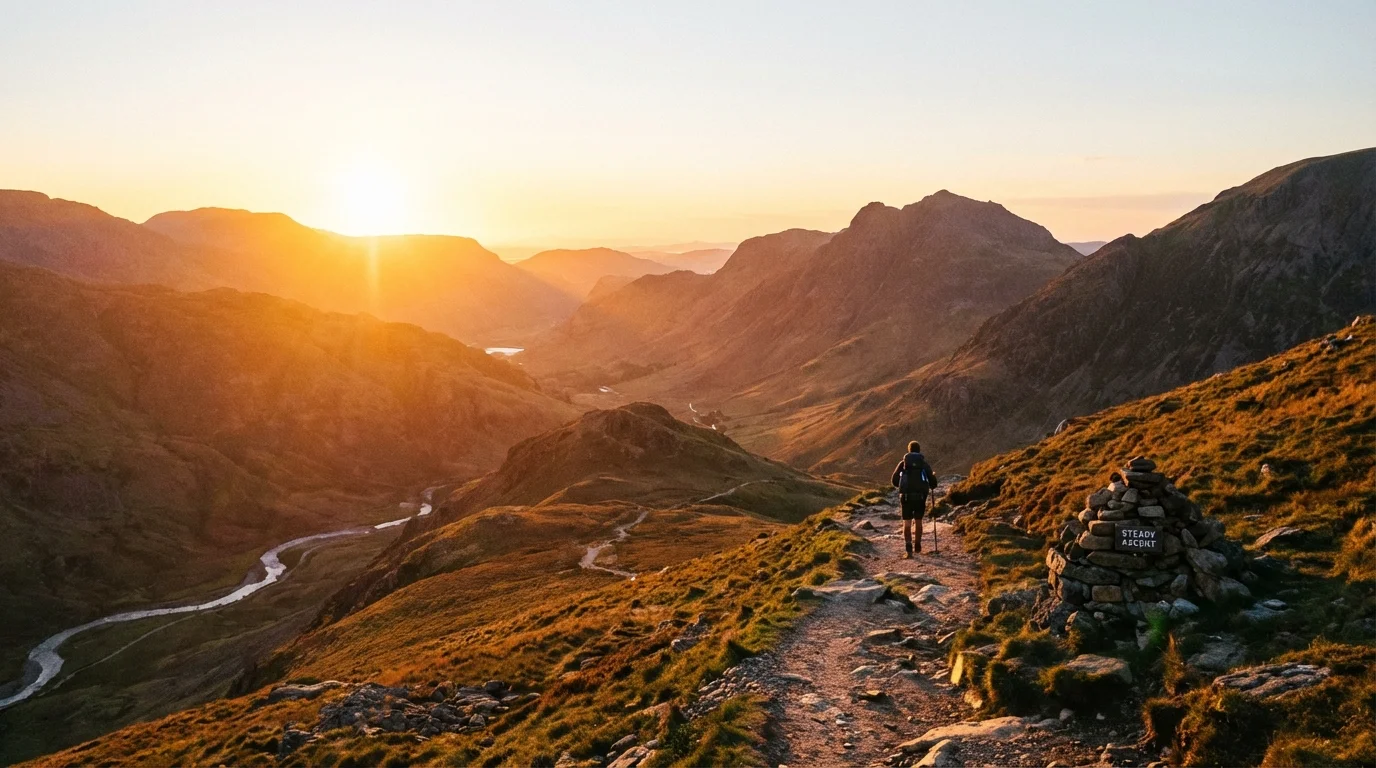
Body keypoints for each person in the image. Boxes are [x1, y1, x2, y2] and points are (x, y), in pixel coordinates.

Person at [890, 441, 935, 557]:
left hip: (906, 497)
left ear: (909, 450)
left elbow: (894, 480)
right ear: (919, 450)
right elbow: (933, 482)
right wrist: (931, 484)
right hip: (920, 497)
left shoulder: (903, 464)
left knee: (907, 522)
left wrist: (902, 486)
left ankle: (908, 548)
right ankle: (918, 545)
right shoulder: (923, 464)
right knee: (919, 521)